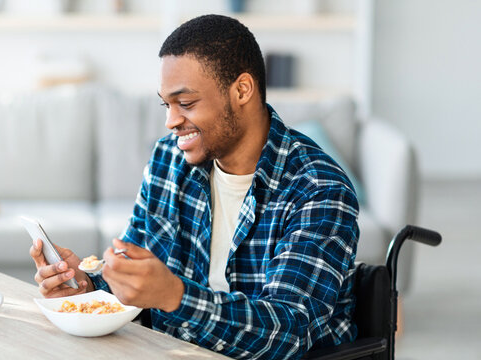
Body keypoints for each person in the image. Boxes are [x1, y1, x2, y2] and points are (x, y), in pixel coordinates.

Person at [29, 14, 359, 359]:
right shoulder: (167, 160)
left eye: (185, 103)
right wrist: (85, 284)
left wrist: (176, 296)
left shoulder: (318, 188)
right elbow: (138, 276)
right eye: (166, 104)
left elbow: (288, 332)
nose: (171, 121)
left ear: (242, 90)